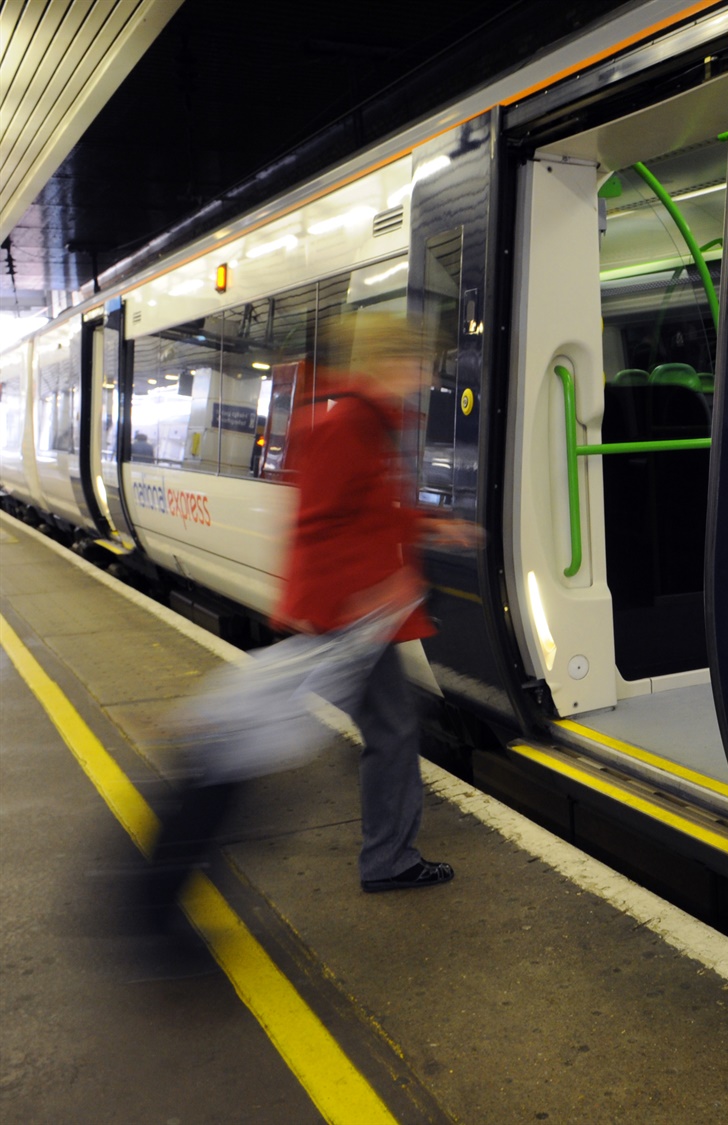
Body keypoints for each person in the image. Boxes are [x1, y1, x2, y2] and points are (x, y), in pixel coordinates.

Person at [132, 311, 476, 970]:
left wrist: (432, 525)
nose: (423, 378)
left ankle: (382, 852)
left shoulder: (364, 417)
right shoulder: (349, 421)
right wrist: (353, 602)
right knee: (365, 731)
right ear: (386, 361)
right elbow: (317, 523)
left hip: (353, 615)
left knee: (374, 728)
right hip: (346, 617)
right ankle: (387, 858)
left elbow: (370, 506)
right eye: (416, 365)